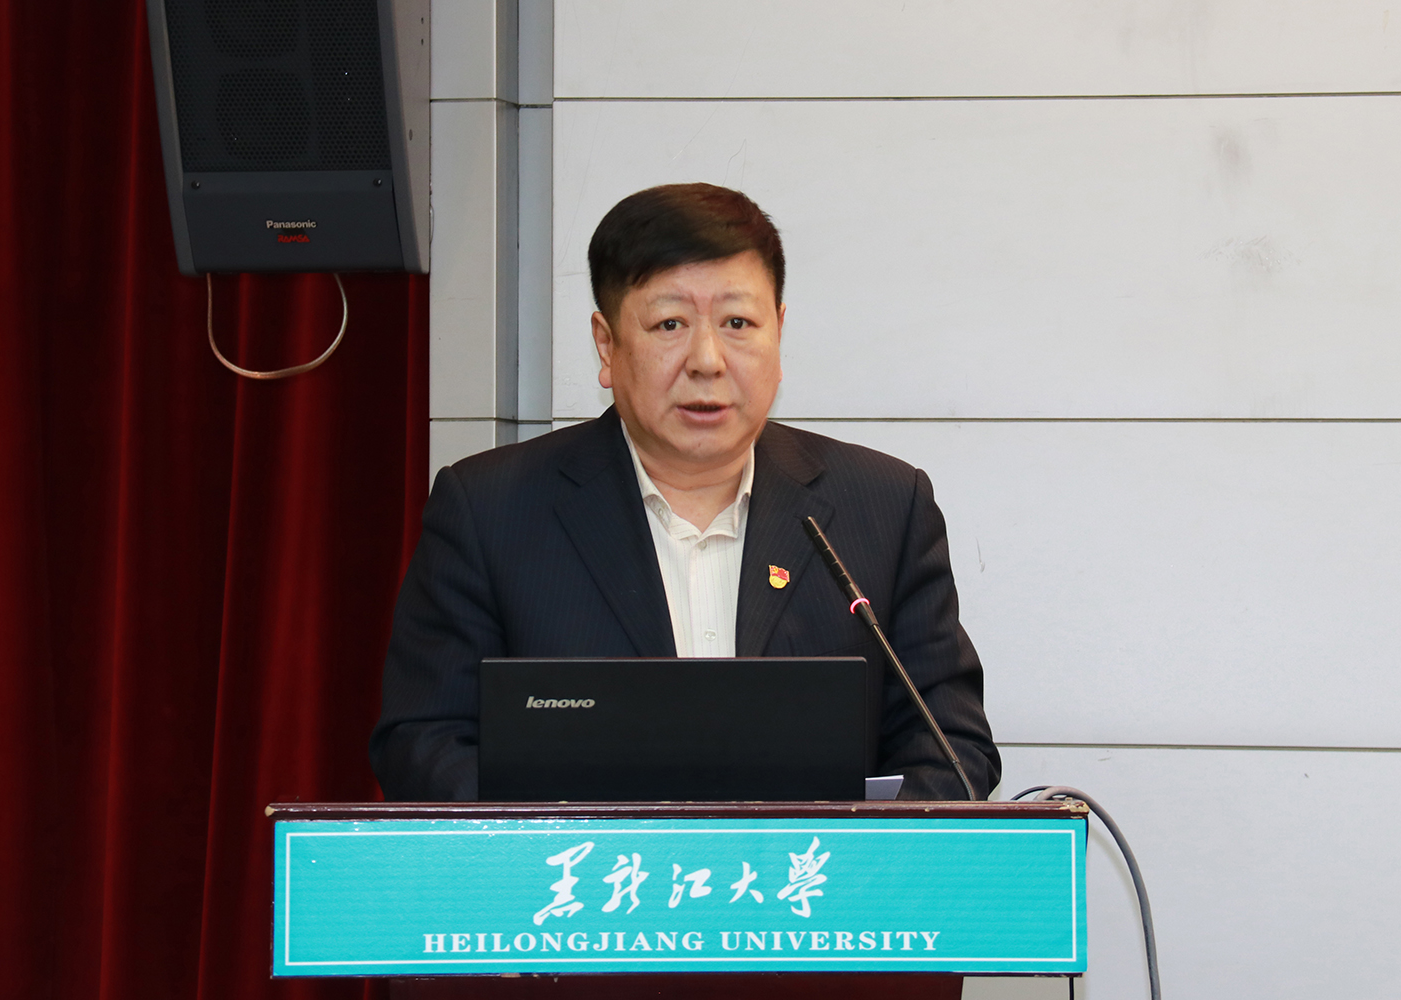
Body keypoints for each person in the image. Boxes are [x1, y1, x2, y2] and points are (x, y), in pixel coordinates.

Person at [371, 183, 1000, 801]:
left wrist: (849, 850)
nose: (707, 360)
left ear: (779, 333)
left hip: (811, 870)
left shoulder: (884, 506)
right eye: (669, 323)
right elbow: (424, 743)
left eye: (737, 322)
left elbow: (951, 746)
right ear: (606, 345)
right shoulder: (489, 510)